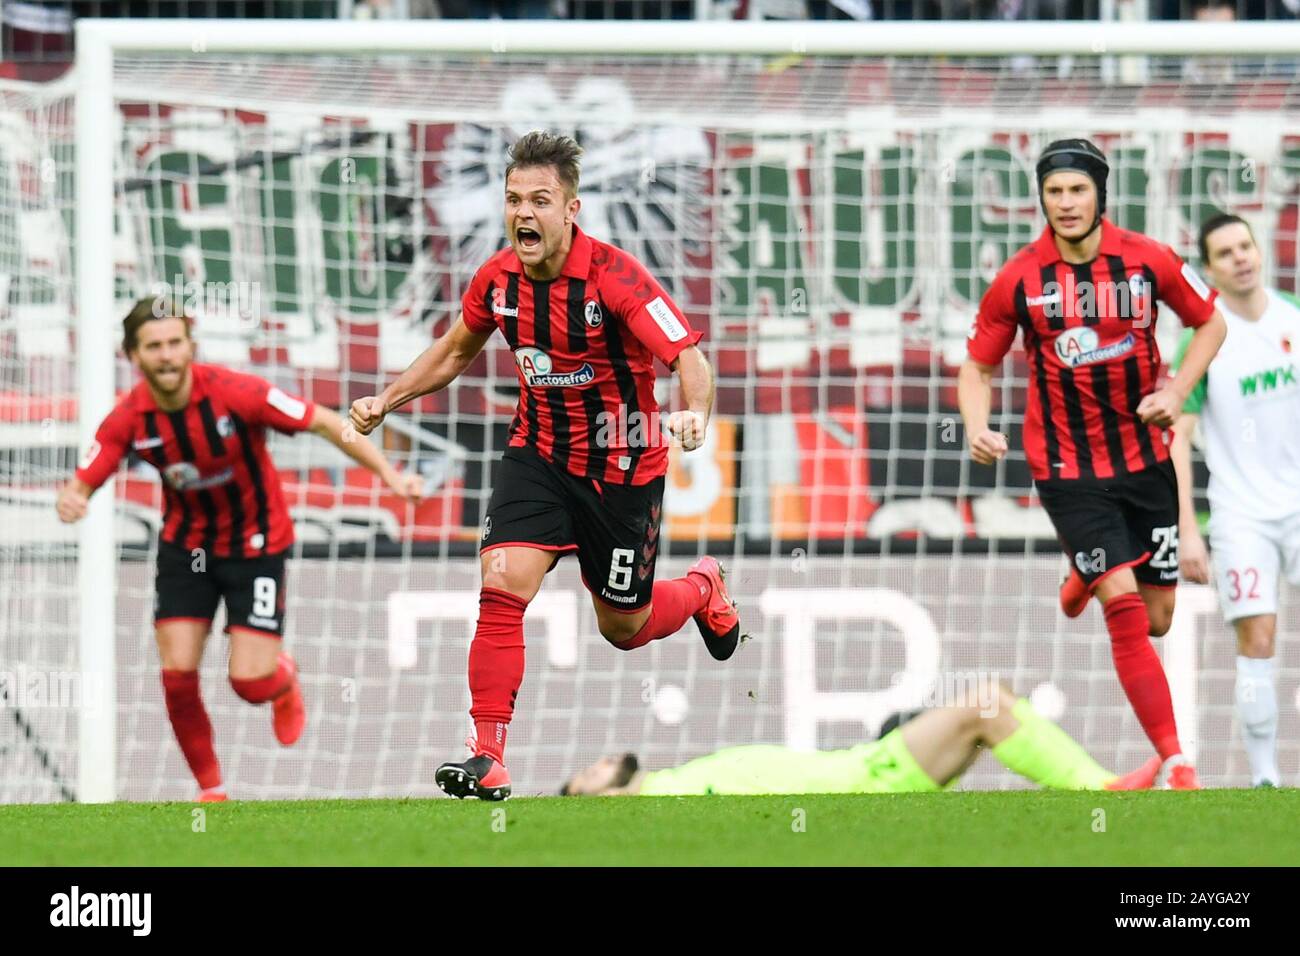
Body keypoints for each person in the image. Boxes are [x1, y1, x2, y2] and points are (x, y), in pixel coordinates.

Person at [351, 131, 742, 801]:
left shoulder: (614, 278)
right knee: (501, 584)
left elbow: (686, 356)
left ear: (571, 208)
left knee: (624, 627)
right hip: (538, 453)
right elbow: (453, 352)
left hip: (621, 462)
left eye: (540, 200)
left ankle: (703, 588)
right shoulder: (497, 280)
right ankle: (488, 754)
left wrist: (696, 412)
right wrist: (389, 398)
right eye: (513, 200)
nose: (523, 213)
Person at [56, 296, 421, 801]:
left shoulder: (236, 393)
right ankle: (213, 790)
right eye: (153, 346)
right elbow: (89, 473)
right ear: (134, 357)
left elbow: (319, 419)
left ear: (190, 345)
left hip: (256, 545)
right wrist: (75, 495)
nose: (166, 356)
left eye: (174, 343)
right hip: (187, 550)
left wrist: (389, 475)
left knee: (249, 684)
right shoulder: (130, 417)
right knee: (177, 673)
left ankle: (284, 680)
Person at [957, 137, 1227, 790]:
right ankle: (1177, 760)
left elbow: (1210, 323)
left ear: (1100, 194)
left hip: (1145, 459)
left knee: (1160, 617)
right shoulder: (1019, 277)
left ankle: (1082, 570)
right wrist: (975, 424)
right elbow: (978, 365)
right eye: (1055, 191)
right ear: (1042, 198)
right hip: (1067, 469)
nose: (1067, 203)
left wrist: (1174, 388)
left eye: (1078, 190)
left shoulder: (1150, 259)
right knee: (1127, 609)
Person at [1171, 213, 1300, 787]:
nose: (1241, 257)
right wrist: (1187, 530)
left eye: (1245, 245)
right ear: (1210, 270)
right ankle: (1266, 780)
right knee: (1259, 637)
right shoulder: (1204, 338)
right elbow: (1177, 436)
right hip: (1241, 515)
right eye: (1225, 253)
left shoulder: (1293, 317)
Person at [560, 681, 1162, 796]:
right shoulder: (657, 810)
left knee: (987, 707)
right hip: (863, 784)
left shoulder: (670, 787)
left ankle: (1102, 788)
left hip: (862, 768)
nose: (601, 762)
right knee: (986, 704)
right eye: (587, 775)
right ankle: (1101, 789)